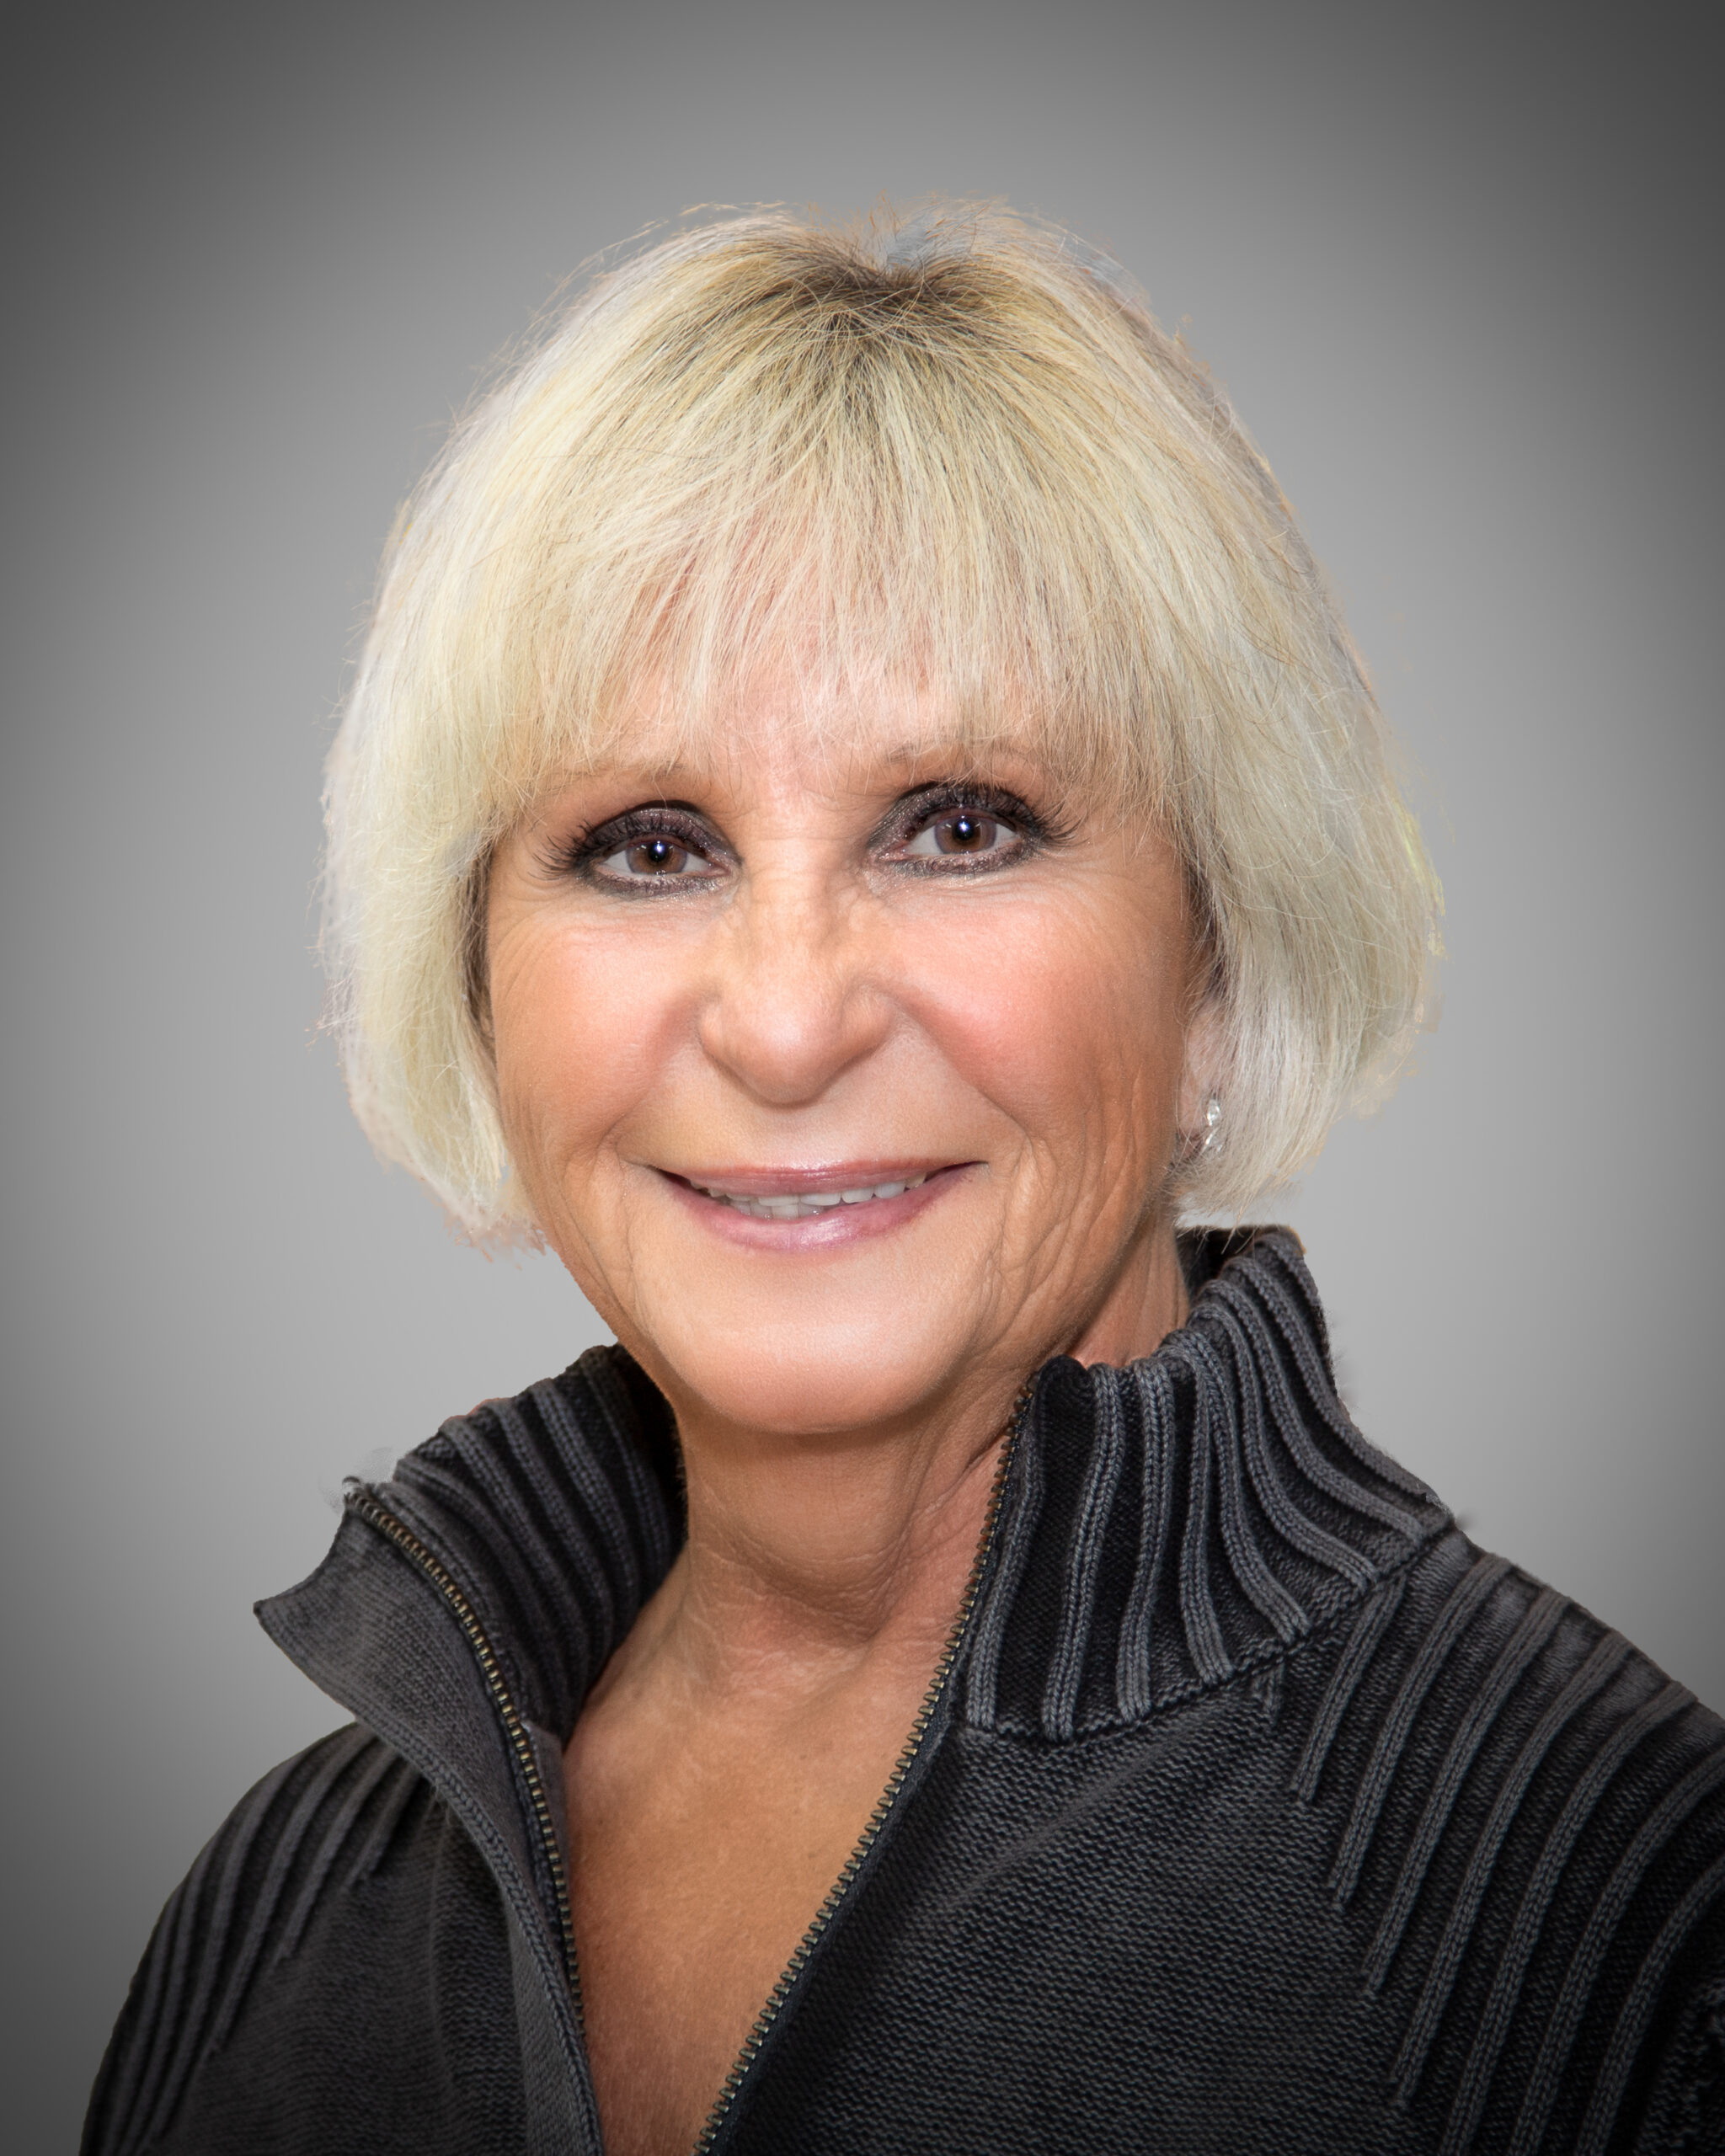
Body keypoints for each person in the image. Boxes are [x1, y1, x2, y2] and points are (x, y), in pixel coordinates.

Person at [84, 205, 1724, 2156]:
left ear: (1215, 962)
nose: (788, 1022)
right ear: (481, 990)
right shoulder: (269, 1917)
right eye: (649, 844)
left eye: (959, 825)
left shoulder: (1628, 1929)